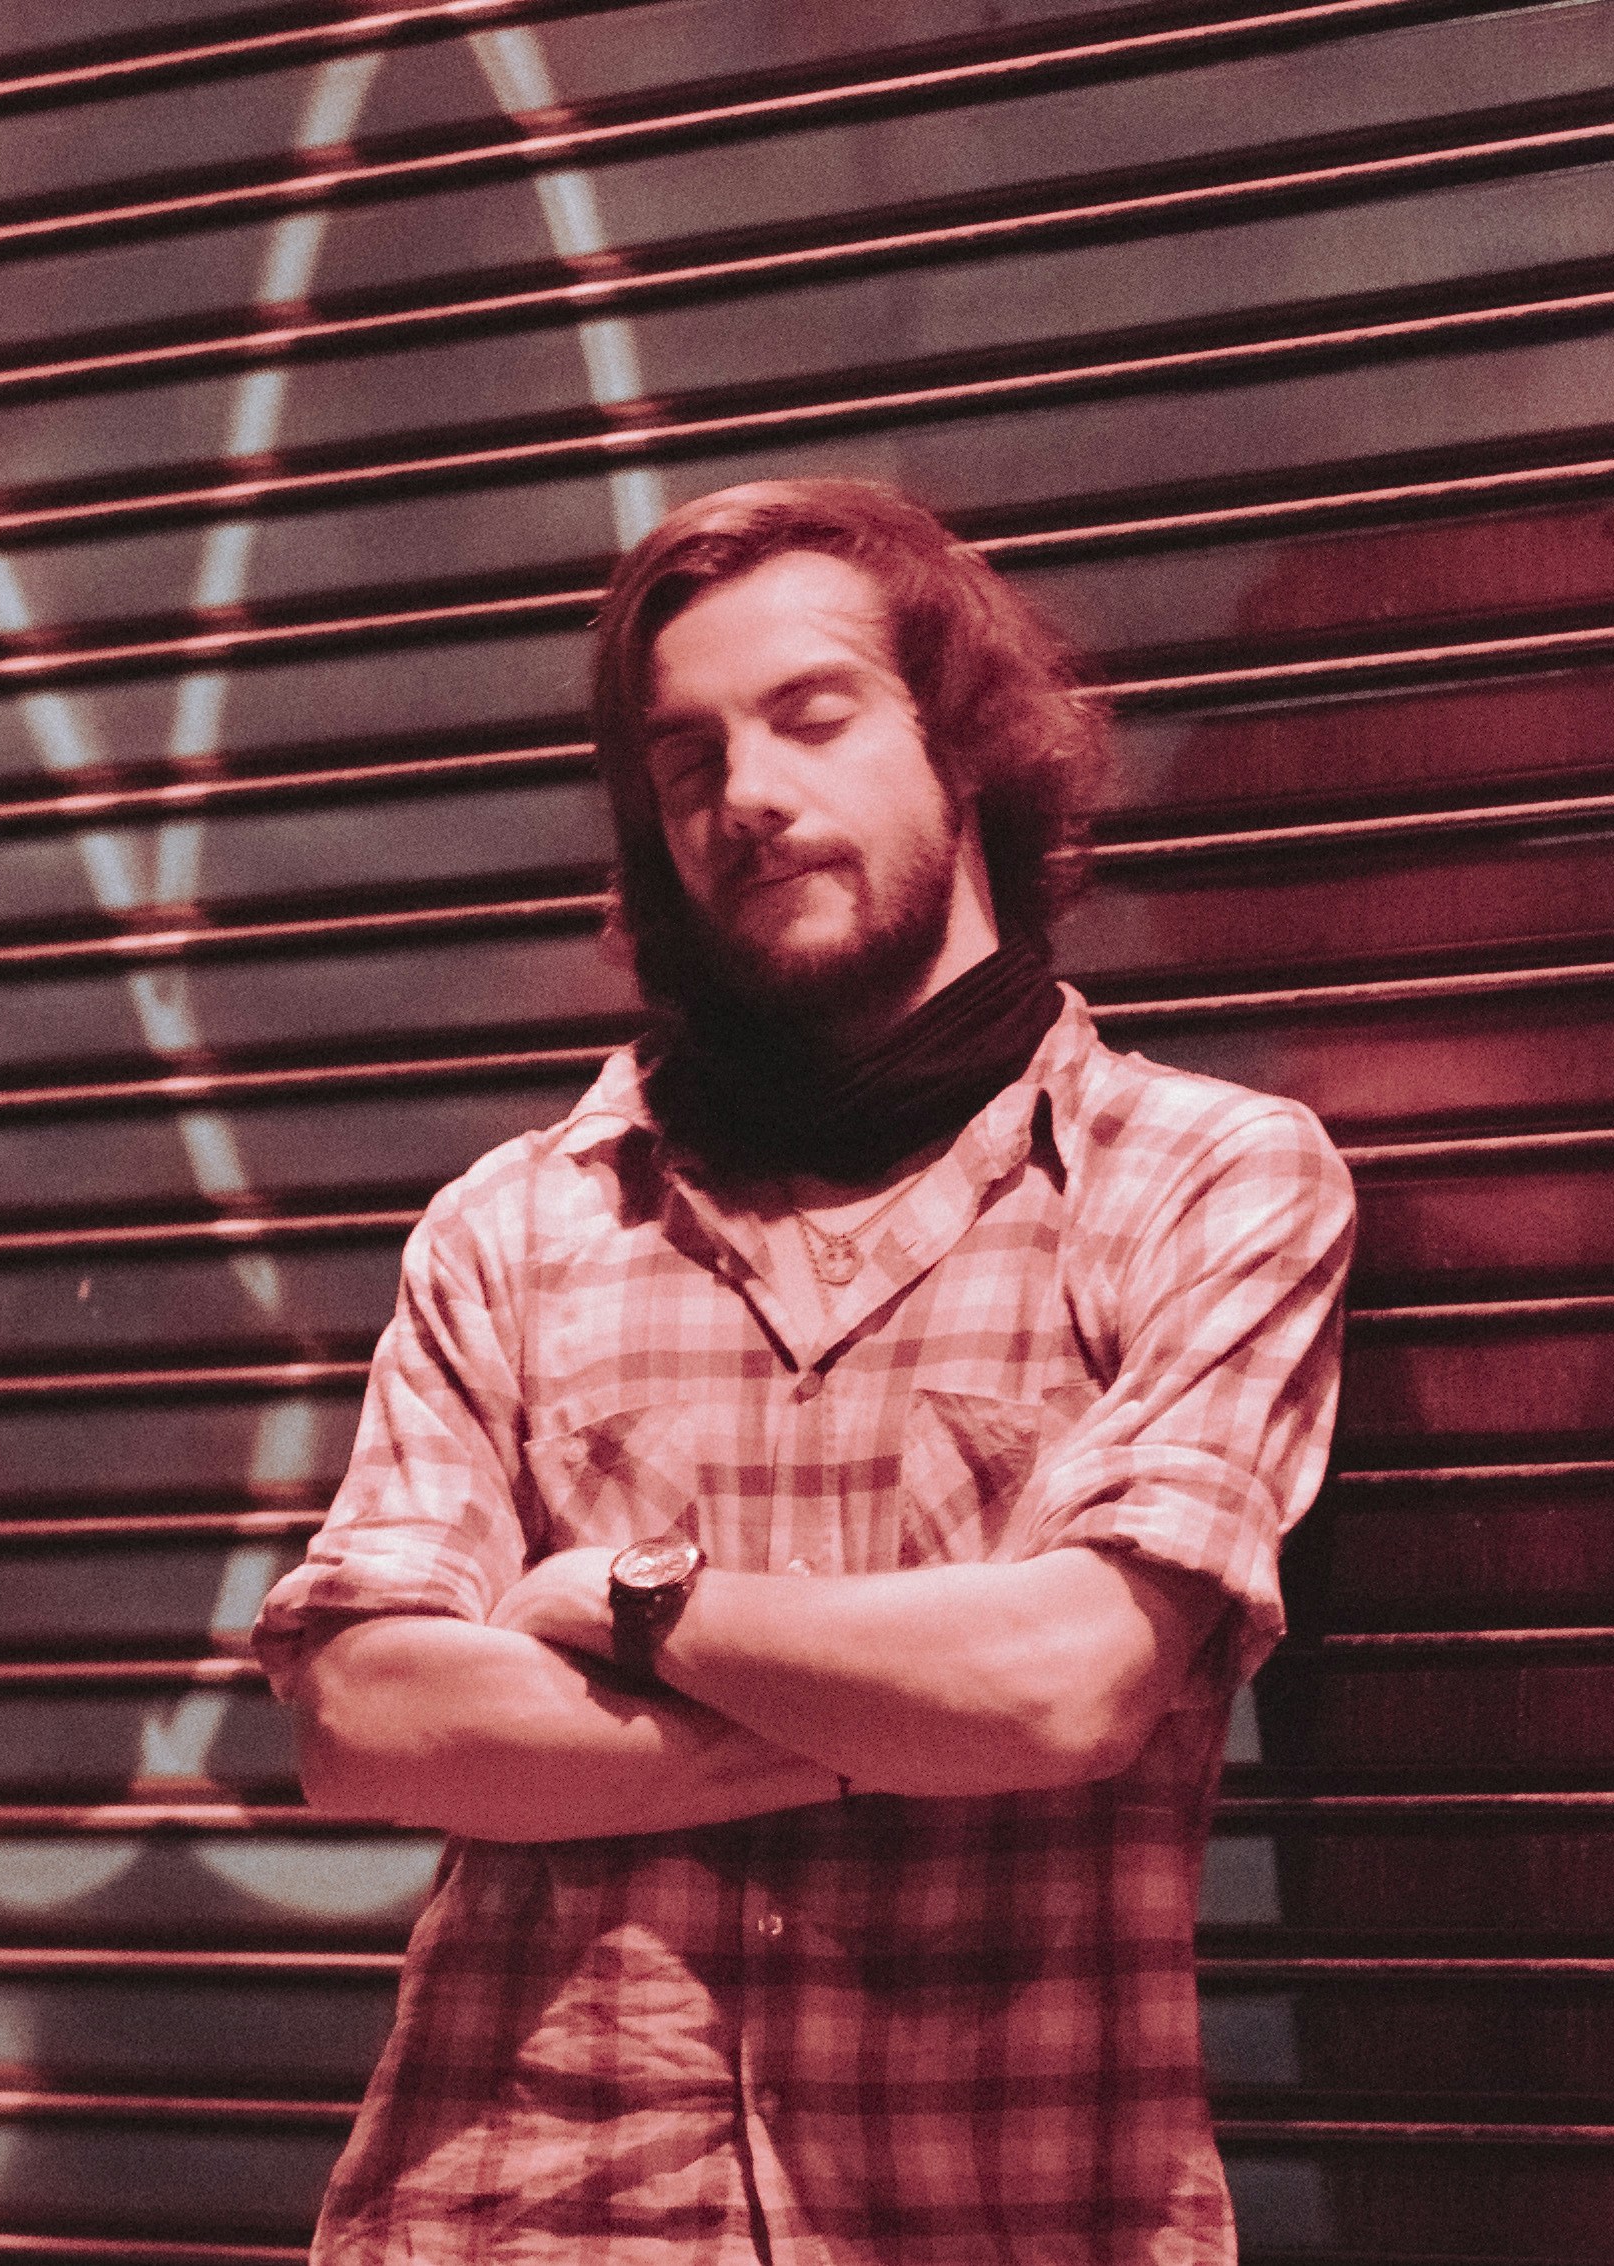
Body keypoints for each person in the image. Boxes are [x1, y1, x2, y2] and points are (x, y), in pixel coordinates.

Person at [251, 477, 1354, 2261]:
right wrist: (886, 1720)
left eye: (811, 717)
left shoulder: (1204, 1179)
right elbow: (366, 1717)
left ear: (968, 748)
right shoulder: (518, 1224)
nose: (746, 794)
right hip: (521, 2219)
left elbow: (1067, 1685)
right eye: (683, 759)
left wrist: (622, 1606)